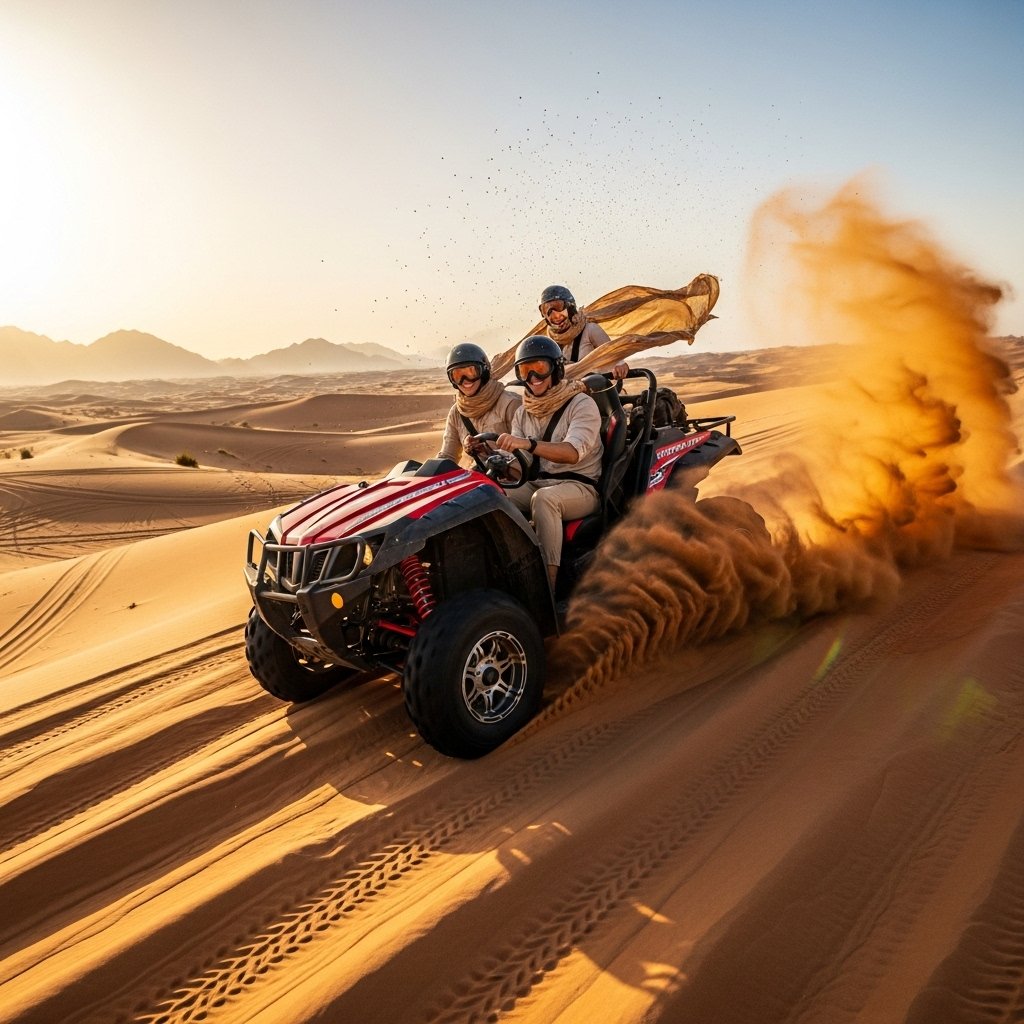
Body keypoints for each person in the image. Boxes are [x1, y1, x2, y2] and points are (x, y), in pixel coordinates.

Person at [495, 336, 603, 592]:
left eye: (540, 368)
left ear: (556, 369)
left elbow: (572, 453)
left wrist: (528, 444)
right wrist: (497, 459)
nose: (533, 377)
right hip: (539, 483)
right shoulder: (523, 412)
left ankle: (547, 590)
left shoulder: (582, 404)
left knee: (545, 500)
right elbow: (523, 465)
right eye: (525, 370)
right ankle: (504, 571)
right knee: (493, 496)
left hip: (581, 487)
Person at [436, 342, 520, 464]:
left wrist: (490, 454)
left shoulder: (510, 404)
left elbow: (526, 454)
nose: (465, 381)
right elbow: (448, 456)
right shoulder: (456, 412)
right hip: (474, 475)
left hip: (512, 475)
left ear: (483, 371)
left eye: (471, 372)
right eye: (457, 375)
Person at [539, 284, 629, 379]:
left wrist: (619, 364)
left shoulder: (590, 330)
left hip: (596, 386)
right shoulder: (549, 342)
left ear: (570, 307)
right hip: (565, 388)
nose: (556, 316)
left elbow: (613, 355)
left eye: (559, 307)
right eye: (547, 310)